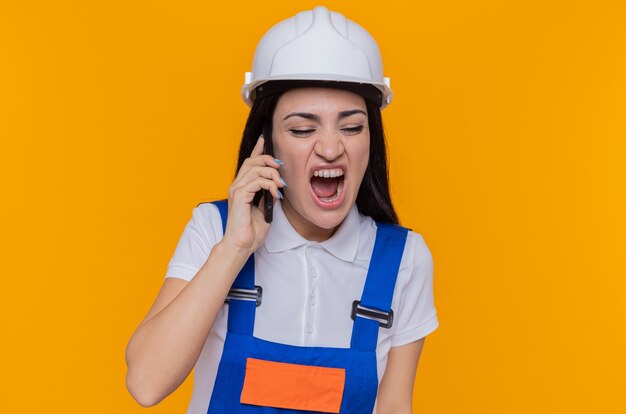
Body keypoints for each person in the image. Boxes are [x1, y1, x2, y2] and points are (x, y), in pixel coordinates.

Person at [126, 6, 438, 414]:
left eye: (351, 126)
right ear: (267, 143)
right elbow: (145, 384)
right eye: (302, 129)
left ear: (371, 140)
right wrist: (235, 248)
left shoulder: (404, 259)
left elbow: (395, 406)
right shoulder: (214, 230)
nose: (330, 148)